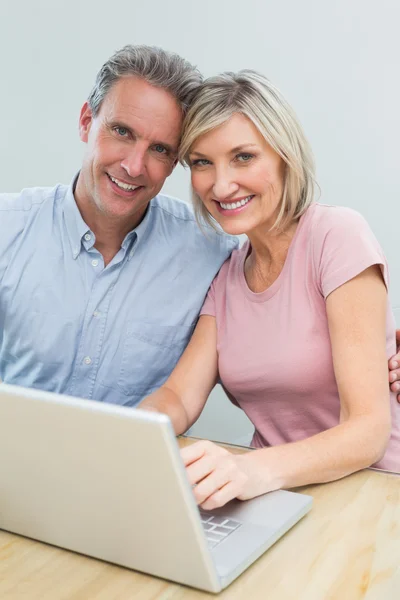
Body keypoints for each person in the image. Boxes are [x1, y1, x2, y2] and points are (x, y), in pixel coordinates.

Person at [140, 70, 400, 510]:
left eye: (243, 157)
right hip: (279, 497)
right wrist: (129, 433)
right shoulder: (227, 275)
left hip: (374, 490)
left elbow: (368, 431)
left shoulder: (336, 237)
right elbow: (179, 396)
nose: (221, 185)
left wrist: (247, 470)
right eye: (202, 162)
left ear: (285, 156)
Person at [0, 45, 237, 405]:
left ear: (176, 162)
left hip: (133, 461)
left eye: (160, 149)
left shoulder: (213, 254)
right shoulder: (8, 227)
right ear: (85, 122)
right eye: (122, 132)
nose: (134, 166)